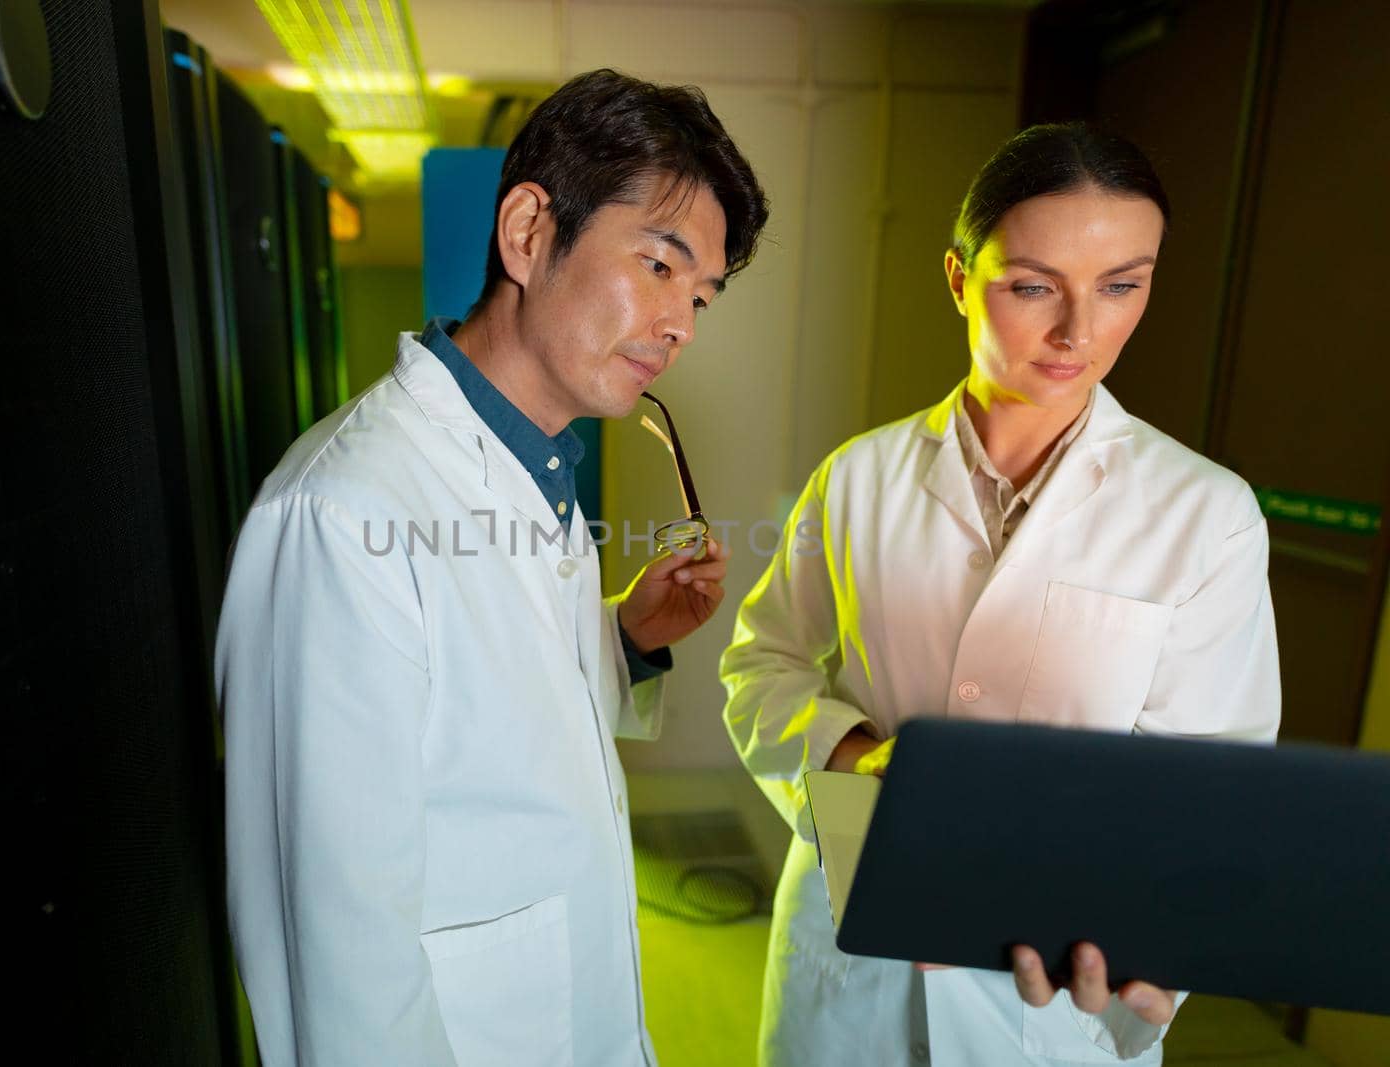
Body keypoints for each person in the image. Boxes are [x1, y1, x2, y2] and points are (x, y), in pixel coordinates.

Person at [217, 69, 768, 1066]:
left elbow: (487, 731)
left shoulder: (536, 466)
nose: (681, 321)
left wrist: (626, 638)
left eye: (699, 294)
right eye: (657, 264)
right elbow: (343, 958)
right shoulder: (345, 513)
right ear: (527, 233)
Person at [720, 122, 1279, 1067]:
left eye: (1122, 285)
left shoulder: (1207, 513)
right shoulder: (858, 478)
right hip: (856, 966)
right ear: (956, 278)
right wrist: (855, 759)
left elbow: (1212, 784)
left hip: (1053, 992)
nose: (1079, 331)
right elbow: (761, 662)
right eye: (1032, 286)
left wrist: (1154, 921)